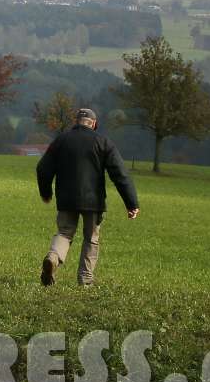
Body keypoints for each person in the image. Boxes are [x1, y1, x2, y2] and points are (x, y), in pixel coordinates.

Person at [36, 108, 140, 287]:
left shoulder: (62, 140)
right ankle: (85, 280)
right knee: (91, 238)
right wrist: (131, 203)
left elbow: (42, 168)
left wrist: (46, 193)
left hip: (66, 199)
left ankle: (53, 258)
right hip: (94, 201)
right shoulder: (103, 142)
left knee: (64, 233)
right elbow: (120, 174)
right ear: (93, 124)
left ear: (76, 122)